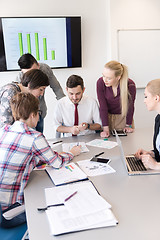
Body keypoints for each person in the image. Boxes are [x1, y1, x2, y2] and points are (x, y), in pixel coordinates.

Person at [0, 92, 81, 228]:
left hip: (1, 203)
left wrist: (46, 157)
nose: (39, 117)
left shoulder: (5, 130)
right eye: (39, 113)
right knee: (57, 199)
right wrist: (71, 153)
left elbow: (23, 157)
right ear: (33, 114)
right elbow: (57, 163)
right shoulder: (34, 137)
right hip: (8, 213)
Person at [16, 53, 65, 133]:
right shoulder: (18, 80)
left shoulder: (45, 69)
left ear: (38, 65)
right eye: (28, 74)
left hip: (40, 111)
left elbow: (57, 88)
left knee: (39, 137)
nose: (32, 76)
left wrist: (65, 105)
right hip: (26, 115)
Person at [96, 60, 136, 137]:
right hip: (107, 119)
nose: (105, 80)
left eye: (109, 78)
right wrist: (105, 128)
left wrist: (128, 125)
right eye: (103, 76)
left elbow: (130, 106)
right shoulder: (100, 83)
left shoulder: (130, 85)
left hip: (124, 119)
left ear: (118, 77)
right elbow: (103, 106)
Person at [135, 79, 160, 170]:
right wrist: (151, 153)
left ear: (156, 98)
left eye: (146, 96)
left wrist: (156, 165)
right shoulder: (158, 119)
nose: (144, 101)